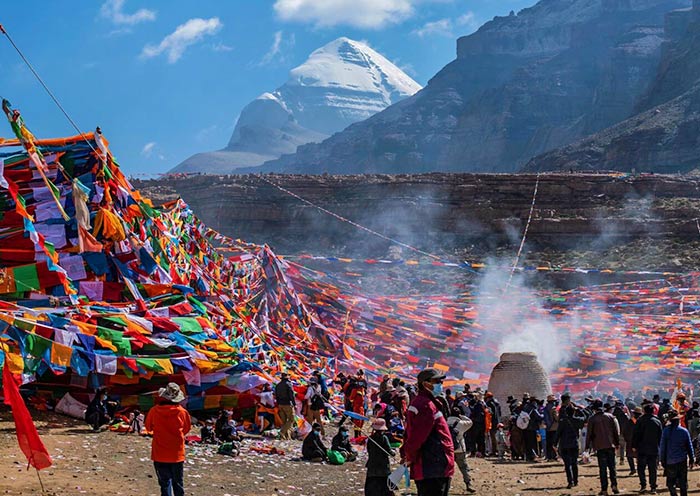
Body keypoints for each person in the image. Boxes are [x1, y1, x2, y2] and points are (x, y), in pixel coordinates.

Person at [400, 368, 455, 496]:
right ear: (425, 384)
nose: (440, 384)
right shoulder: (425, 405)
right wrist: (409, 456)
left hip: (434, 464)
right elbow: (416, 437)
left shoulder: (428, 402)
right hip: (432, 465)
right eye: (436, 381)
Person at [144, 382, 191, 496]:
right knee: (178, 483)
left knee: (165, 484)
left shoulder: (154, 410)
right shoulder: (182, 412)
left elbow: (148, 428)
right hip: (177, 454)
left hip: (159, 453)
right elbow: (186, 429)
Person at [586, 399, 621, 495]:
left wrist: (587, 448)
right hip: (611, 445)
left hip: (599, 446)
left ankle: (604, 489)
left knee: (603, 469)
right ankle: (614, 485)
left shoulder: (592, 419)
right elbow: (615, 432)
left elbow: (589, 434)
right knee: (612, 467)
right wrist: (617, 444)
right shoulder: (610, 417)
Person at [659, 410, 695, 496]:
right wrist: (691, 459)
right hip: (682, 461)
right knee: (683, 483)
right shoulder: (684, 431)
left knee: (671, 483)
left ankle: (674, 494)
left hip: (670, 462)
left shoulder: (666, 431)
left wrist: (662, 461)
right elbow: (689, 446)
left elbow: (663, 447)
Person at [632, 403, 663, 494]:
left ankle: (643, 485)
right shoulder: (657, 421)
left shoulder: (640, 421)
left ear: (644, 411)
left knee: (641, 468)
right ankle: (653, 487)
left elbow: (636, 434)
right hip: (653, 449)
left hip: (642, 449)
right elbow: (660, 436)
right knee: (653, 469)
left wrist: (634, 446)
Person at [557, 399, 585, 489]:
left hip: (564, 444)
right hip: (574, 444)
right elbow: (585, 416)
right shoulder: (577, 420)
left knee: (567, 464)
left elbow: (558, 433)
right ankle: (576, 481)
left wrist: (554, 443)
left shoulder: (562, 421)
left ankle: (570, 481)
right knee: (574, 463)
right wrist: (578, 410)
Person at [447, 406, 476, 493]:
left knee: (447, 469)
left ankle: (446, 487)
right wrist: (462, 416)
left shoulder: (445, 421)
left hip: (448, 449)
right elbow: (470, 422)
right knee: (464, 467)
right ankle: (468, 484)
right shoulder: (461, 423)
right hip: (459, 448)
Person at [365, 418, 396, 496]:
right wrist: (393, 453)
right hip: (383, 466)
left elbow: (369, 450)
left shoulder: (370, 438)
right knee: (385, 487)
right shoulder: (384, 438)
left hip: (372, 465)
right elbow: (389, 451)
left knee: (372, 486)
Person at [275, 372, 296, 440]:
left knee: (284, 421)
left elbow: (276, 396)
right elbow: (291, 395)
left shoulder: (278, 385)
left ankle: (286, 437)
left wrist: (278, 404)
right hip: (287, 404)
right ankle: (282, 432)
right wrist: (294, 404)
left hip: (280, 404)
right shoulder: (288, 384)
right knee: (291, 419)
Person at [485, 392, 501, 457]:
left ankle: (494, 451)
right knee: (497, 436)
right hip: (497, 421)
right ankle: (497, 450)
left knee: (492, 437)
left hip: (492, 422)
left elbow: (490, 414)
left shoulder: (489, 404)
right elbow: (499, 413)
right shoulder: (497, 403)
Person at [544, 394, 559, 461]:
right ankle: (554, 456)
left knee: (548, 443)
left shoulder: (545, 408)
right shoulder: (554, 408)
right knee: (554, 443)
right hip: (554, 428)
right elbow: (556, 418)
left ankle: (549, 456)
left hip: (548, 428)